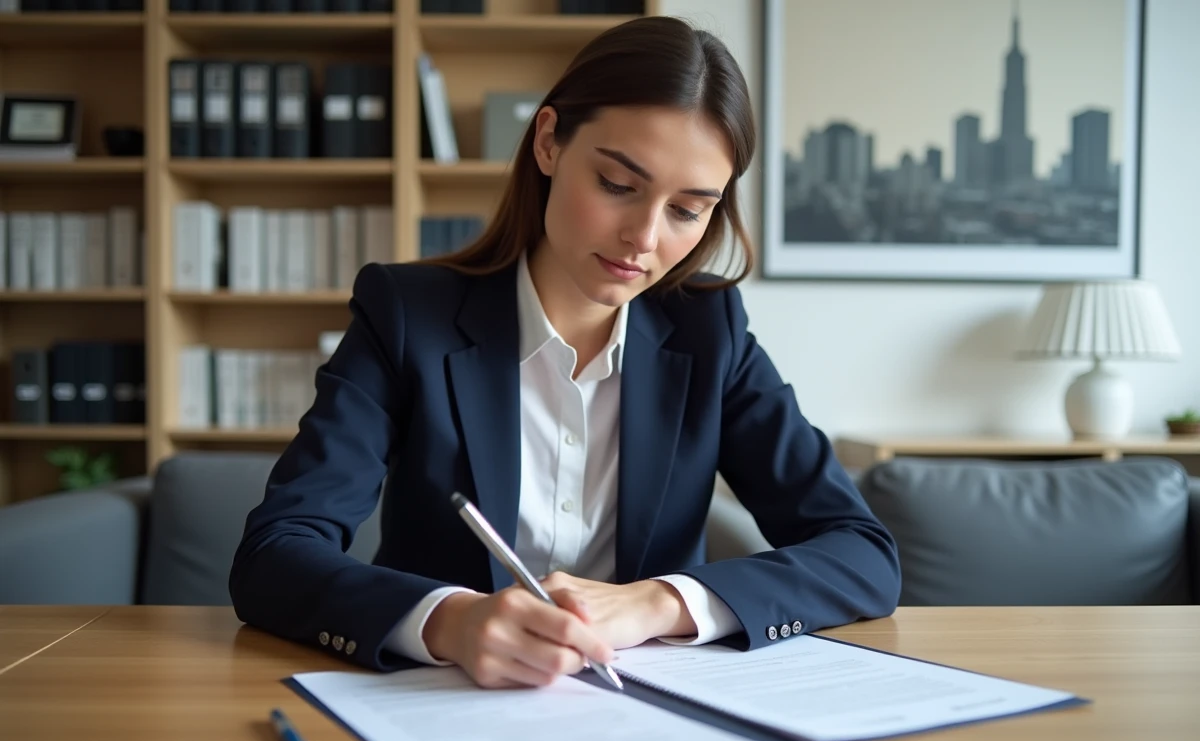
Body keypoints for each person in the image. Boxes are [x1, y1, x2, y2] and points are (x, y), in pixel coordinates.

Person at [229, 15, 900, 690]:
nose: (643, 237)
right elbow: (274, 555)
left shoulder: (709, 330)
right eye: (617, 184)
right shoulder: (406, 316)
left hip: (647, 716)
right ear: (549, 142)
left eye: (687, 210)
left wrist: (655, 603)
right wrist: (451, 621)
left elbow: (861, 553)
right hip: (441, 704)